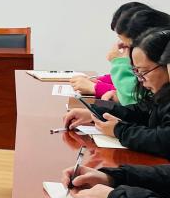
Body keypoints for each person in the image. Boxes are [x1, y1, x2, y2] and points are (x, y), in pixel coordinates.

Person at [63, 28, 170, 158]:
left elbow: (164, 140)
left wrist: (119, 130)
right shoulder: (161, 95)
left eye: (144, 72)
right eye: (137, 72)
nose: (140, 80)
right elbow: (141, 111)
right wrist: (95, 114)